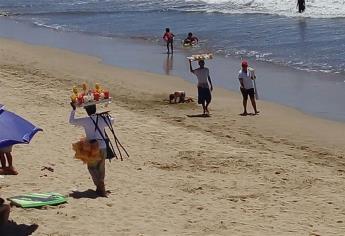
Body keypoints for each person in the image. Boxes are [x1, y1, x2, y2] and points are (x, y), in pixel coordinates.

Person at [69, 103, 114, 197]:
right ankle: (100, 187)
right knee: (101, 166)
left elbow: (72, 121)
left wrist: (73, 110)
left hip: (92, 147)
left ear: (87, 111)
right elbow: (112, 121)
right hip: (103, 145)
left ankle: (99, 185)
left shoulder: (86, 120)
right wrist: (105, 115)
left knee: (92, 167)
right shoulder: (101, 119)